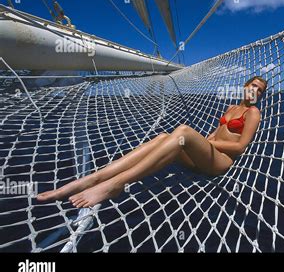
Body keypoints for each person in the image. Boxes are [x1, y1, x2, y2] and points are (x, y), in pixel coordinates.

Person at [36, 76, 267, 208]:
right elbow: (215, 136)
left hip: (220, 163)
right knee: (165, 137)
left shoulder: (253, 113)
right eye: (253, 85)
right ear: (245, 86)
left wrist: (200, 143)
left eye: (260, 89)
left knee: (183, 131)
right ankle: (93, 178)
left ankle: (117, 184)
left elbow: (239, 147)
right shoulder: (231, 108)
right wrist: (200, 143)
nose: (255, 90)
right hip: (206, 155)